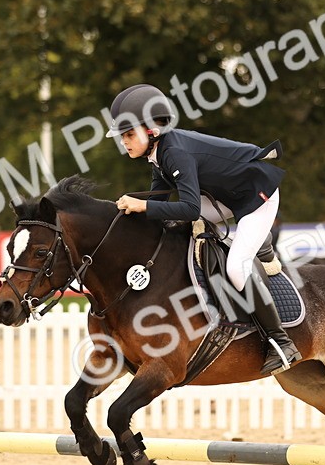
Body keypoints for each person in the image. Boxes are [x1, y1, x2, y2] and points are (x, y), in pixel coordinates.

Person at [108, 84, 301, 375]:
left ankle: (281, 342)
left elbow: (188, 209)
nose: (124, 142)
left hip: (255, 196)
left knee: (236, 268)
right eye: (122, 136)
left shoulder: (174, 154)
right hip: (223, 198)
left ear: (151, 131)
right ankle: (253, 245)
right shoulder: (158, 156)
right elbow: (159, 203)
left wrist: (142, 207)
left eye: (128, 134)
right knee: (183, 227)